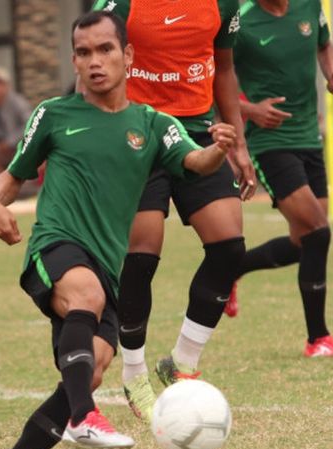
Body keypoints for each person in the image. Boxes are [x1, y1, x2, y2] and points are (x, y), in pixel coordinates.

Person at [0, 11, 236, 449]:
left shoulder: (153, 124)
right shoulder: (53, 114)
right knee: (85, 295)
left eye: (105, 50)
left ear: (127, 55)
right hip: (55, 247)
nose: (94, 61)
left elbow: (195, 163)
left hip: (106, 271)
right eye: (83, 53)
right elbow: (13, 174)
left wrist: (219, 149)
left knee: (92, 368)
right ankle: (85, 417)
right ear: (74, 61)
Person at [91, 0, 257, 423]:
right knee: (141, 257)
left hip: (198, 133)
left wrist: (237, 141)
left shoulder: (223, 4)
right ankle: (134, 375)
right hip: (136, 133)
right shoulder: (121, 5)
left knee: (229, 247)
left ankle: (182, 362)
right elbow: (92, 65)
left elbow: (224, 68)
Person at [225, 0, 333, 358]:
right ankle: (318, 339)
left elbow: (324, 44)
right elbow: (211, 77)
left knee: (306, 241)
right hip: (269, 143)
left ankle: (232, 268)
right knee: (318, 231)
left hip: (308, 137)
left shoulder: (309, 7)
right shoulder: (241, 19)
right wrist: (250, 109)